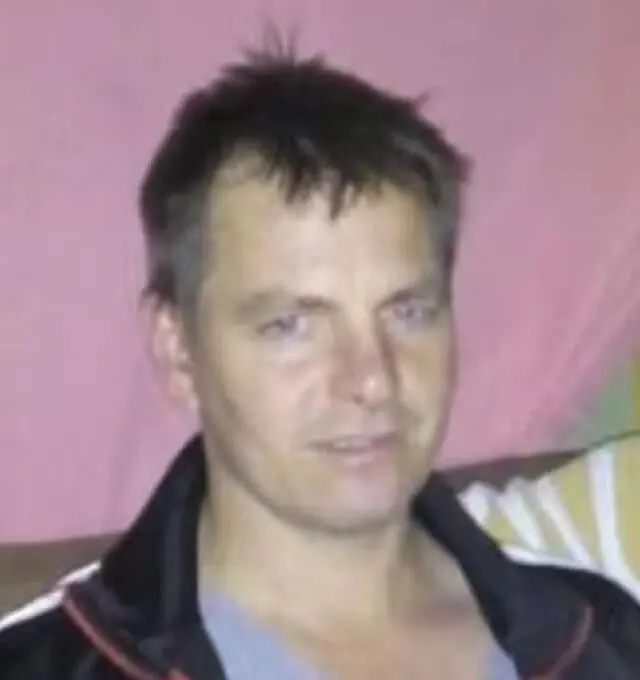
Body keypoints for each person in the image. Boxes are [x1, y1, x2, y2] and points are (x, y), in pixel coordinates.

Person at [1, 44, 638, 680]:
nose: (372, 378)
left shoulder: (604, 634)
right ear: (178, 351)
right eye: (291, 325)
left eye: (407, 311)